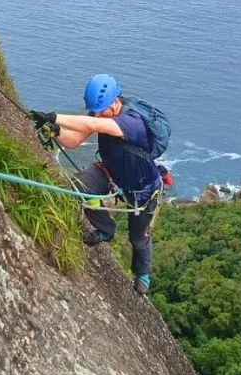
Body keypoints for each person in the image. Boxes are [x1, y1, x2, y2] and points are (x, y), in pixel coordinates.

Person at [30, 74, 164, 296]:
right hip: (112, 173)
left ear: (115, 101)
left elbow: (92, 123)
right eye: (96, 110)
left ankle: (142, 274)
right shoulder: (100, 114)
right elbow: (74, 141)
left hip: (144, 190)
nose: (97, 113)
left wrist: (54, 116)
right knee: (79, 187)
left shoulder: (131, 121)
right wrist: (54, 130)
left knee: (138, 239)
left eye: (101, 109)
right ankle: (105, 229)